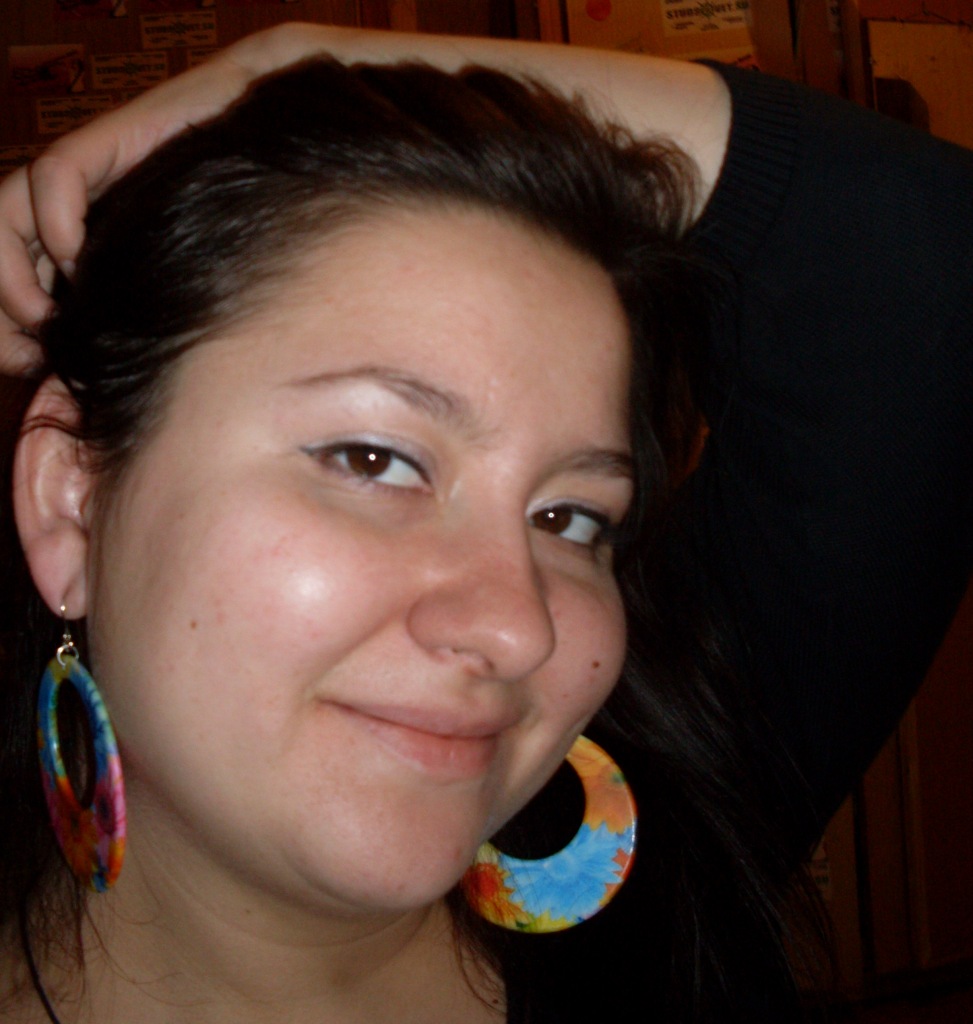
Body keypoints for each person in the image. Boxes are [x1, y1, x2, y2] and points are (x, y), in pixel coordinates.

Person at [2, 21, 972, 1023]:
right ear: (71, 500)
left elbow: (930, 262)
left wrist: (291, 66)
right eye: (374, 460)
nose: (518, 628)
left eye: (569, 517)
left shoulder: (681, 857)